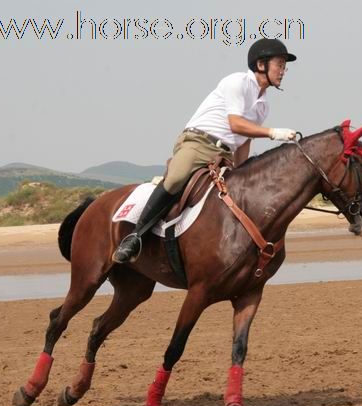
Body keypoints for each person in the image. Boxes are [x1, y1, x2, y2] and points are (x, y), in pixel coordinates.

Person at [112, 38, 298, 263]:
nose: (283, 70)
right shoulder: (237, 82)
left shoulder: (263, 104)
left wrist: (240, 170)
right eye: (280, 64)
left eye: (284, 66)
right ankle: (135, 237)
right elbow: (236, 124)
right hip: (198, 143)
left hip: (225, 154)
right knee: (176, 179)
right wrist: (273, 133)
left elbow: (244, 139)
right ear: (261, 65)